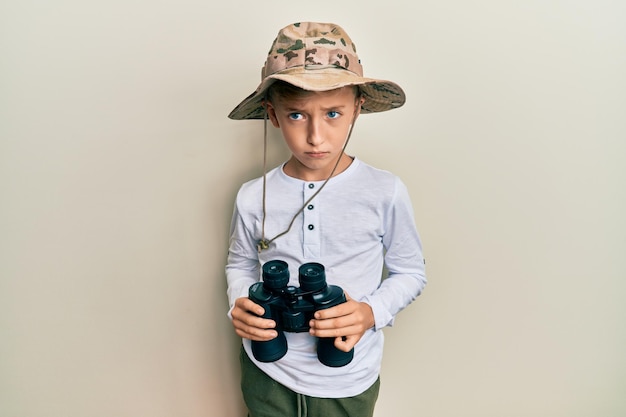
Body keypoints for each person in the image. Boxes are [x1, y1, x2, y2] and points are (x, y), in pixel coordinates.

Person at [225, 22, 426, 417]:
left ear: (357, 109)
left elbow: (411, 272)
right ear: (273, 115)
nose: (316, 136)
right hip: (268, 372)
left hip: (347, 378)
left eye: (333, 113)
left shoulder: (384, 191)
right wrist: (240, 302)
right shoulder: (252, 196)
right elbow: (240, 262)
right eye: (297, 115)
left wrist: (370, 312)